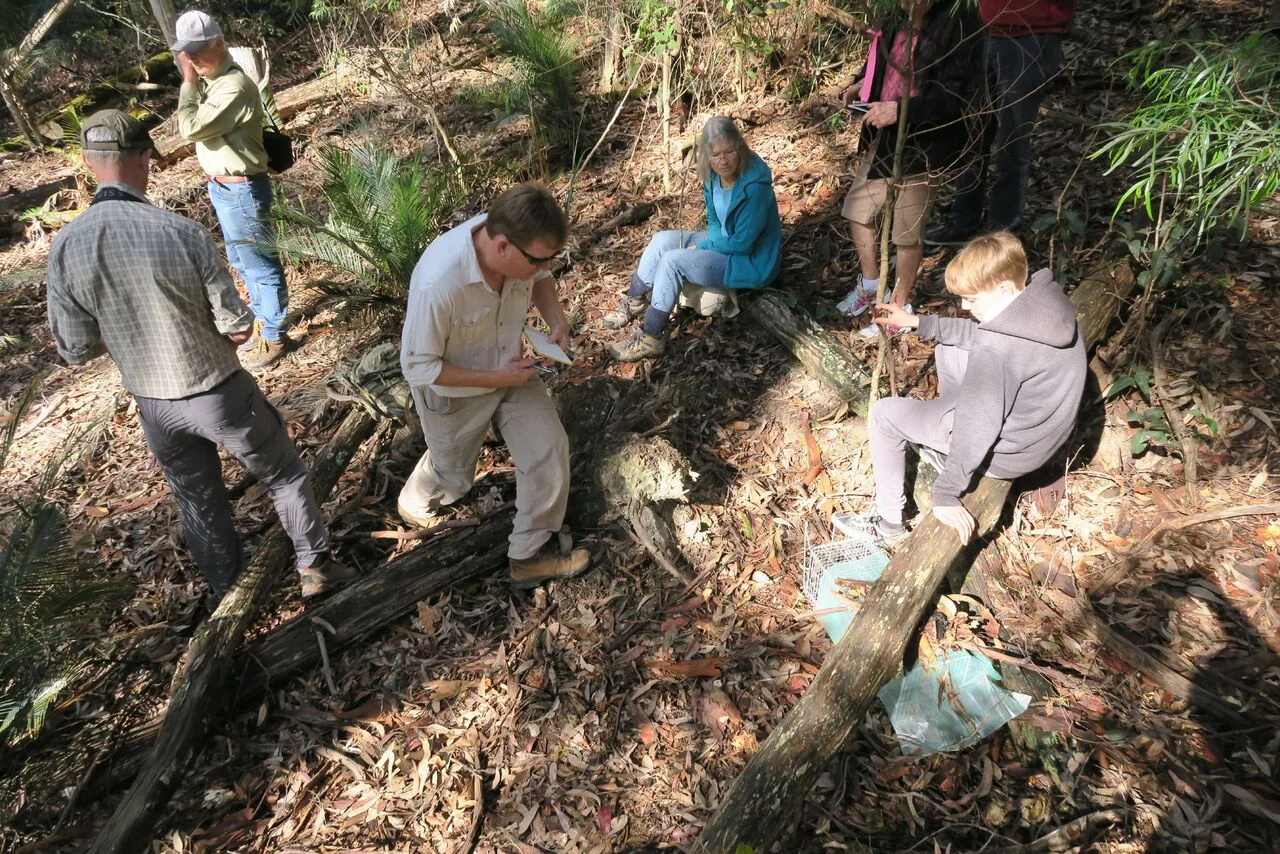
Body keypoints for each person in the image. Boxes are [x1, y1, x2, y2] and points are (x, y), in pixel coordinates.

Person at [45, 110, 353, 601]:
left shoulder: (65, 247)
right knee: (283, 476)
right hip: (218, 392)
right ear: (145, 158)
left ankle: (227, 595)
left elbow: (76, 348)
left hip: (154, 406)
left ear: (86, 163)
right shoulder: (179, 231)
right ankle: (314, 568)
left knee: (198, 501)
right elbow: (238, 326)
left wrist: (127, 335)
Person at [399, 183, 591, 589]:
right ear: (502, 247)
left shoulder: (521, 244)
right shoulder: (440, 283)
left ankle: (528, 556)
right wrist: (495, 378)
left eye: (551, 257)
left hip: (511, 367)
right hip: (453, 390)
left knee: (548, 449)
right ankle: (414, 501)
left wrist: (557, 321)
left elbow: (542, 277)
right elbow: (418, 366)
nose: (545, 266)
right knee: (452, 475)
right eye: (538, 259)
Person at [852, 231, 1085, 544]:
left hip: (1007, 455)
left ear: (1003, 288)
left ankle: (888, 523)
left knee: (884, 414)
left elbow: (978, 425)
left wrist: (947, 492)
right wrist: (917, 323)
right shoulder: (1043, 302)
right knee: (950, 346)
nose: (964, 305)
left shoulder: (996, 350)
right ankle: (946, 428)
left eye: (972, 299)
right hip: (1040, 438)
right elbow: (978, 335)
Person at [835, 0, 984, 338]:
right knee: (857, 210)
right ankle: (871, 287)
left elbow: (956, 96)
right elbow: (880, 60)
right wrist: (861, 83)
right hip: (884, 135)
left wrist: (901, 109)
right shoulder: (893, 16)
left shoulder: (958, 22)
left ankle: (897, 310)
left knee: (906, 233)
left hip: (925, 141)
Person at [604, 116, 782, 362]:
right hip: (726, 244)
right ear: (707, 155)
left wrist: (705, 247)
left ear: (740, 147)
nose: (723, 161)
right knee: (662, 240)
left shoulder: (755, 187)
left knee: (673, 261)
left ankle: (652, 337)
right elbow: (714, 220)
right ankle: (634, 300)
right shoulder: (713, 176)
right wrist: (708, 246)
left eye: (729, 152)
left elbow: (743, 244)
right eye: (716, 154)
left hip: (751, 261)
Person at [173, 9, 290, 371]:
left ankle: (274, 334)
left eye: (198, 50)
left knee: (260, 264)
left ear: (220, 43)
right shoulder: (214, 82)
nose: (191, 59)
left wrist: (188, 83)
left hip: (242, 191)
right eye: (186, 52)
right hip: (225, 190)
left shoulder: (233, 87)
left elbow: (190, 128)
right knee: (242, 261)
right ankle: (263, 322)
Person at [925, 0, 1075, 244]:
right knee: (973, 132)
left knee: (1012, 140)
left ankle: (1003, 233)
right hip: (987, 31)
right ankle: (964, 222)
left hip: (1029, 36)